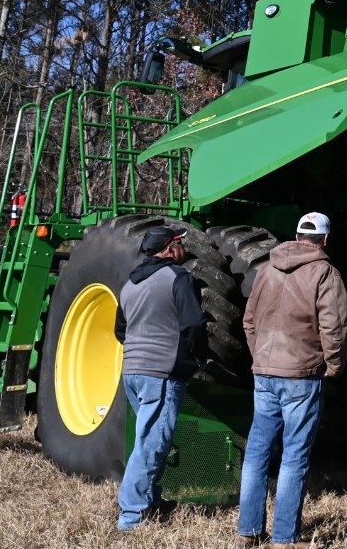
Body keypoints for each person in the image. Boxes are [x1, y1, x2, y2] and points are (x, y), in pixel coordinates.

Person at [236, 212, 347, 548]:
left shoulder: (266, 269)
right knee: (294, 456)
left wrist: (261, 357)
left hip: (265, 373)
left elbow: (249, 320)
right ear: (325, 240)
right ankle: (285, 538)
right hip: (303, 374)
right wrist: (333, 366)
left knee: (257, 452)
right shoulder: (325, 272)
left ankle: (249, 531)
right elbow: (335, 328)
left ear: (297, 235)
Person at [113, 226, 205, 532]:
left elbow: (120, 332)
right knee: (153, 443)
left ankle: (151, 499)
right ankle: (131, 516)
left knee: (147, 438)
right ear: (168, 249)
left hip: (132, 372)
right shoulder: (179, 278)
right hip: (161, 373)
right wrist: (195, 359)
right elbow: (193, 324)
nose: (183, 247)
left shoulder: (129, 285)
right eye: (179, 243)